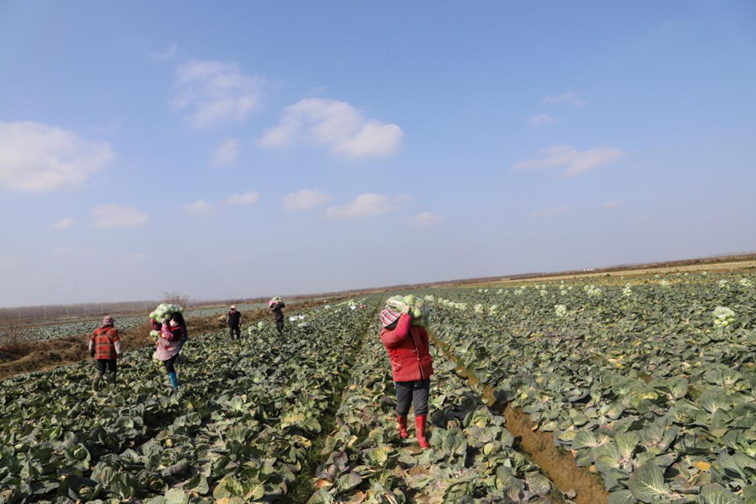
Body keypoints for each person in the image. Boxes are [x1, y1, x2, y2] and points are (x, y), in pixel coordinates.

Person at [379, 304, 434, 449]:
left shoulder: (413, 328)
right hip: (403, 376)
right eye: (395, 321)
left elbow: (423, 338)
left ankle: (421, 436)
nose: (398, 322)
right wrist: (404, 315)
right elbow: (399, 335)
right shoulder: (386, 335)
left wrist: (425, 356)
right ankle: (402, 428)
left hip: (421, 373)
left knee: (421, 406)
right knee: (403, 406)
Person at [150, 312, 188, 390]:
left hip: (172, 350)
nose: (173, 323)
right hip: (163, 349)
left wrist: (164, 324)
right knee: (167, 366)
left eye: (175, 322)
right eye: (172, 320)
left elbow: (169, 336)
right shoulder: (167, 325)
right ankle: (173, 380)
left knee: (169, 365)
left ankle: (174, 385)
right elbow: (155, 327)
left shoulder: (178, 330)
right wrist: (154, 318)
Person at [89, 315, 122, 391]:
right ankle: (112, 384)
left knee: (101, 370)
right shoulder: (113, 331)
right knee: (113, 370)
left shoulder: (96, 331)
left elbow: (92, 341)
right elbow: (117, 343)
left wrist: (91, 350)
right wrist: (119, 352)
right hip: (111, 354)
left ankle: (96, 379)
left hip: (99, 354)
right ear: (111, 323)